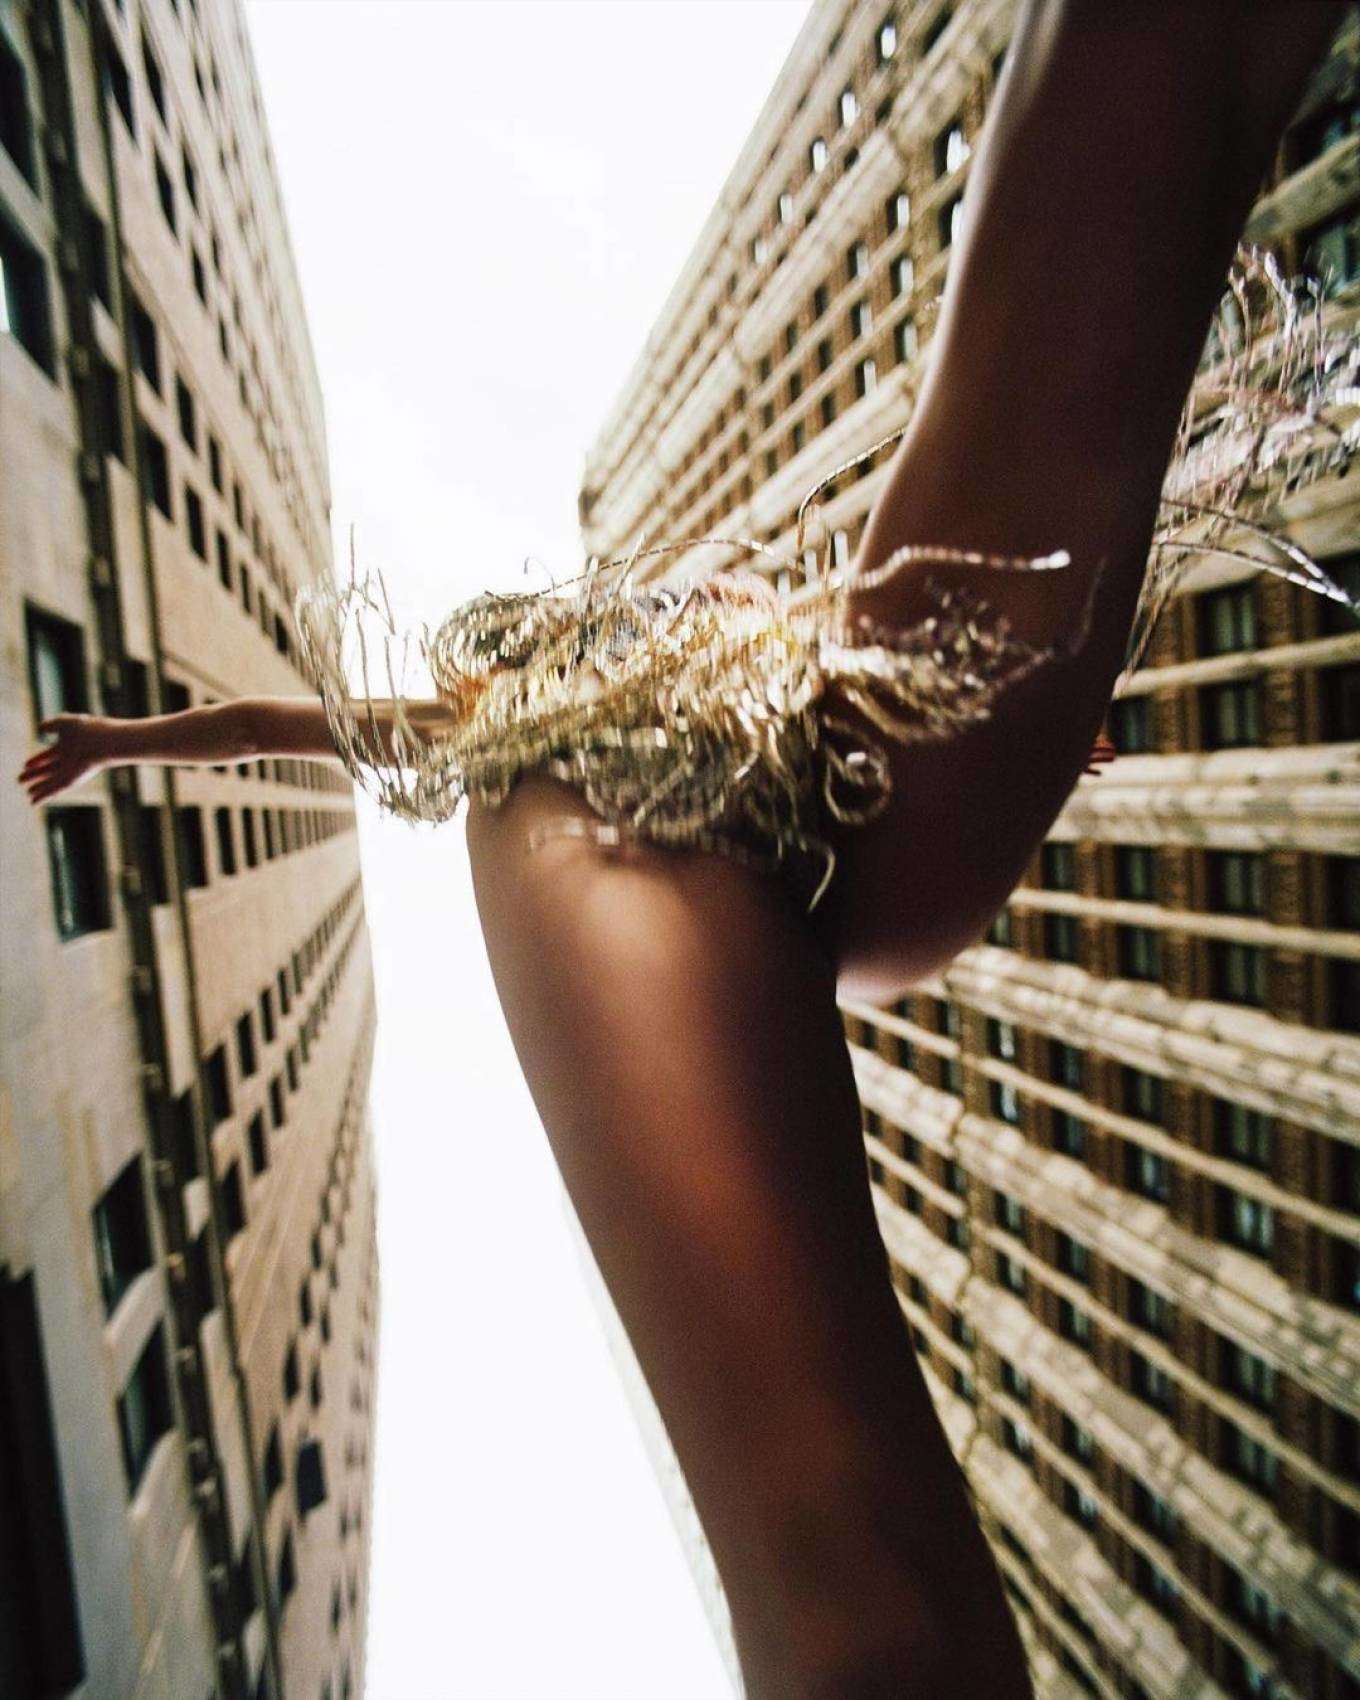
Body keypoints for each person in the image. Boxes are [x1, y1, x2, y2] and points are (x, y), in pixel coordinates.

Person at [17, 5, 1356, 1695]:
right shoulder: (536, 733)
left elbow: (880, 633)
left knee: (1126, 137)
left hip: (836, 795)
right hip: (673, 834)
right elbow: (326, 726)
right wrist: (132, 740)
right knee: (870, 1600)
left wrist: (1010, 715)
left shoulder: (749, 678)